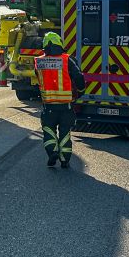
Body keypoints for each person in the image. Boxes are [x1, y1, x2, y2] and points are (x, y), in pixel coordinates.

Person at [35, 32, 85, 168]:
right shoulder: (68, 59)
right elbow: (79, 77)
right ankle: (65, 160)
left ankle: (52, 152)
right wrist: (80, 92)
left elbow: (38, 80)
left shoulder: (38, 61)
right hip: (66, 106)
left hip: (48, 106)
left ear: (45, 45)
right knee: (65, 133)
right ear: (59, 43)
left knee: (48, 130)